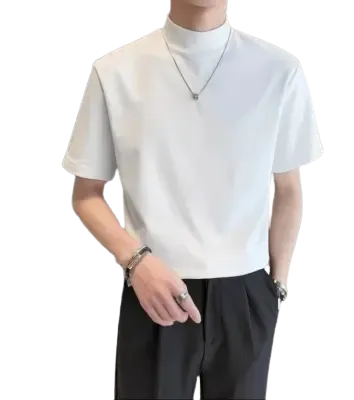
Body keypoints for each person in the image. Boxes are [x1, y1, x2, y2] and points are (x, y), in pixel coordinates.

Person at [63, 0, 323, 398]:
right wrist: (135, 261)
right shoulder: (116, 72)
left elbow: (288, 190)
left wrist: (275, 286)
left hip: (246, 294)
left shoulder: (279, 71)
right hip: (152, 287)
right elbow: (86, 194)